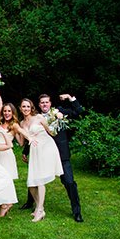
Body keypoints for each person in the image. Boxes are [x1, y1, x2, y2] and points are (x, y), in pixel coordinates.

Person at [12, 99, 63, 220]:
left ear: (31, 107)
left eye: (28, 106)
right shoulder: (21, 123)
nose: (25, 108)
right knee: (31, 184)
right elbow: (20, 143)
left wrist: (57, 120)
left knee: (40, 180)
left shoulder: (39, 117)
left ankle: (39, 210)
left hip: (46, 148)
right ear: (20, 108)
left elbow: (51, 132)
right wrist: (14, 131)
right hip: (35, 151)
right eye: (23, 106)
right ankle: (40, 207)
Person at [40, 90, 83, 220]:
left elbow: (78, 112)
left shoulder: (59, 112)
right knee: (37, 179)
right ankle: (32, 203)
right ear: (39, 105)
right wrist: (25, 152)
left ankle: (77, 212)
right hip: (44, 154)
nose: (44, 104)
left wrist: (70, 98)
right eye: (42, 103)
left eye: (46, 102)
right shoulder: (37, 117)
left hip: (61, 154)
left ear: (50, 103)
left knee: (69, 182)